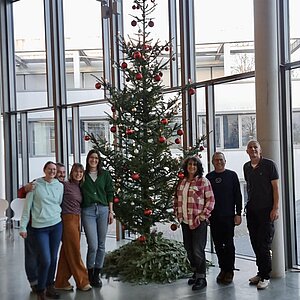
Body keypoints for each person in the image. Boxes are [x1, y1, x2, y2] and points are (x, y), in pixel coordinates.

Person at [17, 163, 66, 294]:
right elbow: (27, 207)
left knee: (53, 258)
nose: (53, 171)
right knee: (44, 258)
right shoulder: (35, 185)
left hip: (56, 225)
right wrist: (23, 227)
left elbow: (58, 203)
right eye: (50, 169)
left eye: (55, 170)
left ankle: (50, 284)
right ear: (44, 170)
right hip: (38, 227)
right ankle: (39, 286)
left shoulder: (60, 186)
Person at [174, 156, 215, 291]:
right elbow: (177, 200)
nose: (192, 167)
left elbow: (211, 200)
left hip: (198, 222)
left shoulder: (203, 182)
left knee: (198, 250)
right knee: (189, 249)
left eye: (194, 165)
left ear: (198, 167)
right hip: (185, 221)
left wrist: (203, 216)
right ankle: (196, 272)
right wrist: (177, 214)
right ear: (186, 167)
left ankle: (201, 278)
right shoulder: (182, 182)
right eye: (190, 164)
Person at [243, 140, 280, 290]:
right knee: (254, 242)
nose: (253, 149)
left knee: (264, 244)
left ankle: (266, 276)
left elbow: (276, 188)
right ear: (247, 151)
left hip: (266, 211)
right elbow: (249, 188)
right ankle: (260, 272)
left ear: (260, 150)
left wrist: (275, 208)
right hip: (252, 211)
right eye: (250, 148)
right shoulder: (246, 167)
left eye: (255, 147)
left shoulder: (269, 165)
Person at [206, 152, 242, 284]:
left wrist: (238, 213)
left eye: (221, 160)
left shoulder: (232, 175)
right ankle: (223, 268)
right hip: (214, 217)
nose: (219, 162)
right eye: (216, 160)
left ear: (225, 161)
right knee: (218, 245)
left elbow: (238, 195)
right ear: (212, 162)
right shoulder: (208, 177)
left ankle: (230, 270)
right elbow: (205, 198)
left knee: (228, 244)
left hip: (228, 217)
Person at [55, 163, 92, 292]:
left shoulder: (79, 186)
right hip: (68, 219)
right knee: (75, 251)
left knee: (67, 252)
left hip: (77, 219)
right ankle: (82, 282)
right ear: (72, 173)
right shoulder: (64, 185)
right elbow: (49, 181)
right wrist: (27, 187)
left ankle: (60, 282)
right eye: (76, 172)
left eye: (81, 172)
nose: (78, 174)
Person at [81, 149, 114, 288]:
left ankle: (97, 275)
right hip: (88, 211)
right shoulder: (82, 175)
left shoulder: (105, 174)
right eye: (91, 157)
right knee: (93, 245)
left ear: (99, 160)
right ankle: (89, 273)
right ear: (88, 159)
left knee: (101, 245)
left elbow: (110, 192)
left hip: (103, 210)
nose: (93, 160)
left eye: (96, 158)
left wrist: (111, 212)